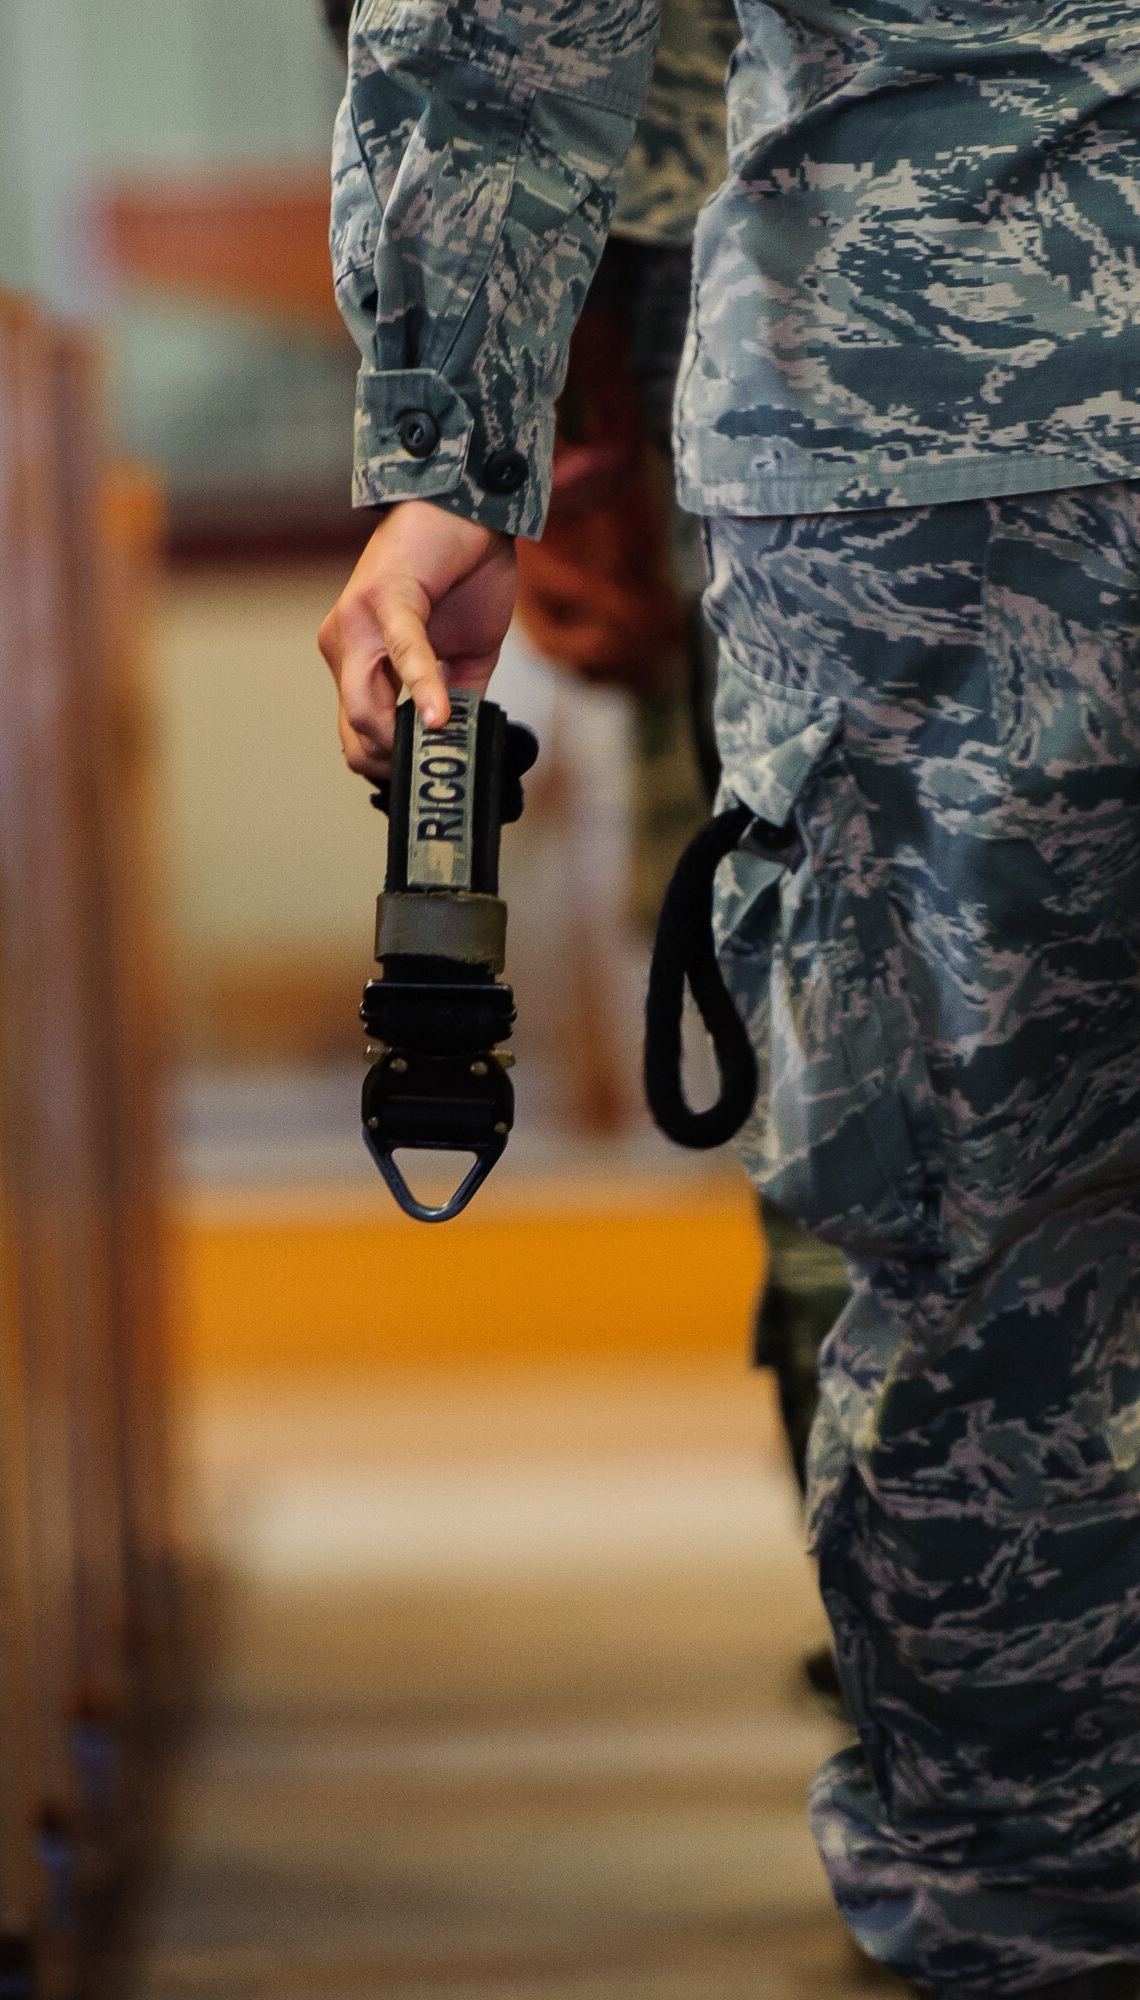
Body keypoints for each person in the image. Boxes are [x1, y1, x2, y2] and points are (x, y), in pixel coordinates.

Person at [318, 5, 1140, 1996]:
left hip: (934, 422)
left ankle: (1044, 1927)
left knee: (976, 1240)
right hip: (938, 426)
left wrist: (452, 452)